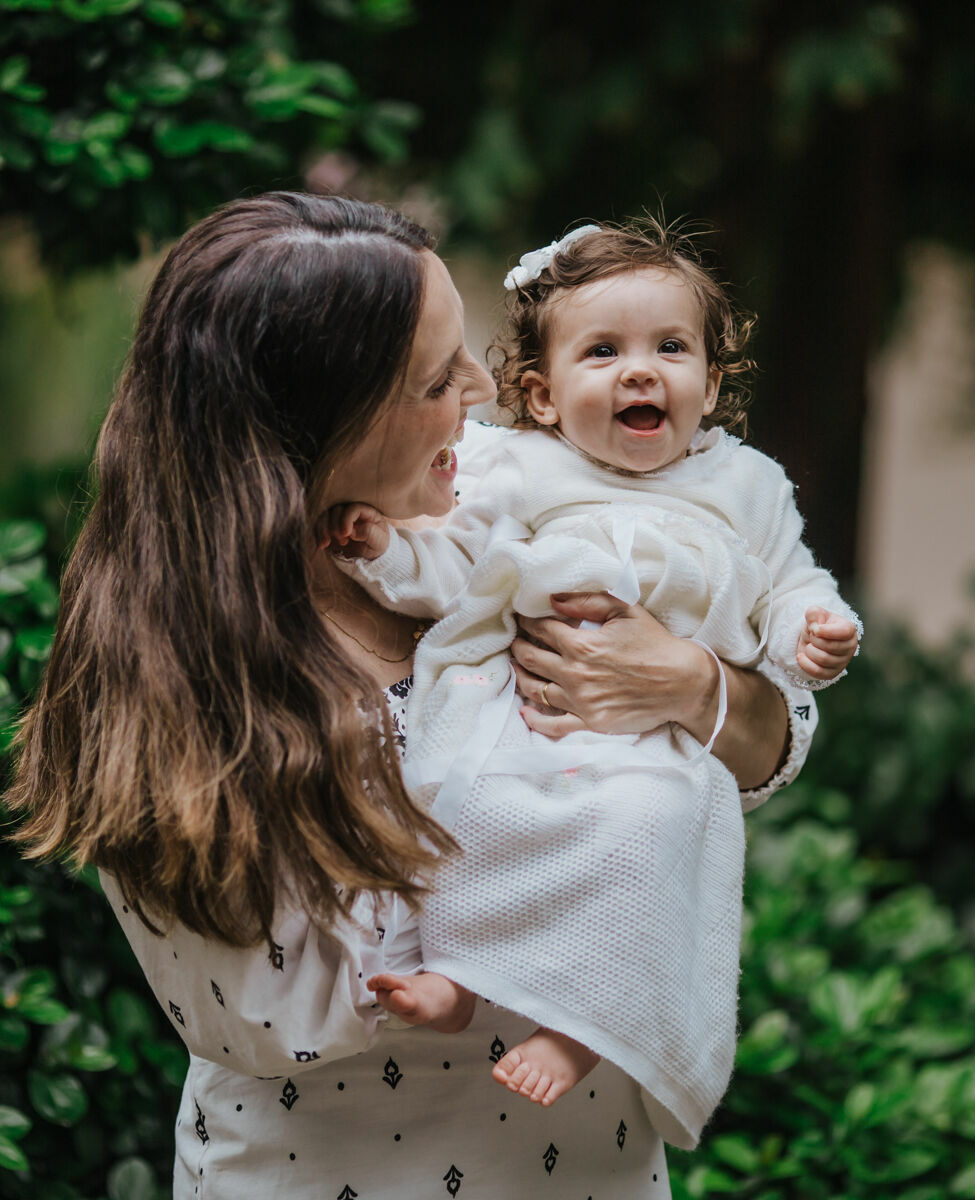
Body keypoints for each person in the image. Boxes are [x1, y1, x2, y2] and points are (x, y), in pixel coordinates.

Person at [2, 192, 818, 1198]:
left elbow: (771, 742)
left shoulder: (503, 515)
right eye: (437, 378)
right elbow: (275, 1015)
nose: (484, 389)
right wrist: (570, 856)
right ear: (320, 420)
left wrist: (694, 690)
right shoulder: (174, 664)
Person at [323, 219, 859, 1147]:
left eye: (671, 348)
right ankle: (455, 972)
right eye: (603, 351)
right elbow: (455, 556)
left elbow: (788, 580)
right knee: (464, 802)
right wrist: (385, 550)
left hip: (654, 745)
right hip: (521, 713)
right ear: (540, 394)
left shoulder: (748, 485)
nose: (640, 371)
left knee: (647, 830)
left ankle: (580, 1021)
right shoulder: (517, 464)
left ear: (714, 383)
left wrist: (814, 627)